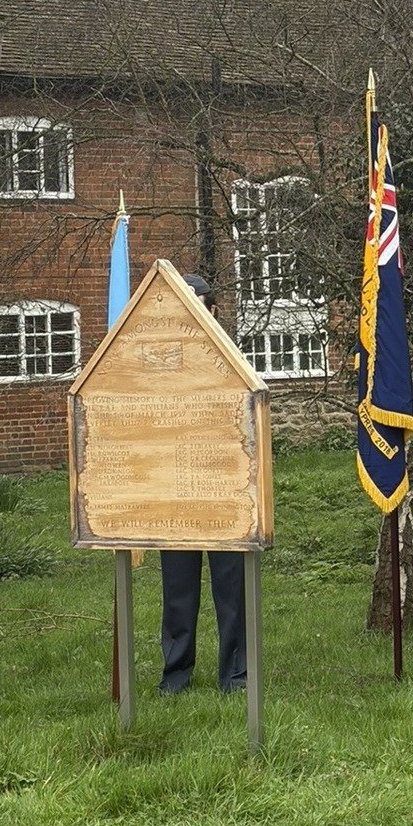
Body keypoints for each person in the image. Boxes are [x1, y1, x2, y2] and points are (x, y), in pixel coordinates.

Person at [159, 274, 247, 694]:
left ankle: (236, 675)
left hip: (224, 490)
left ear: (213, 312)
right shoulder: (158, 362)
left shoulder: (234, 362)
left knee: (232, 590)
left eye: (198, 307)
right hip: (175, 489)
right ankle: (176, 674)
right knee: (177, 591)